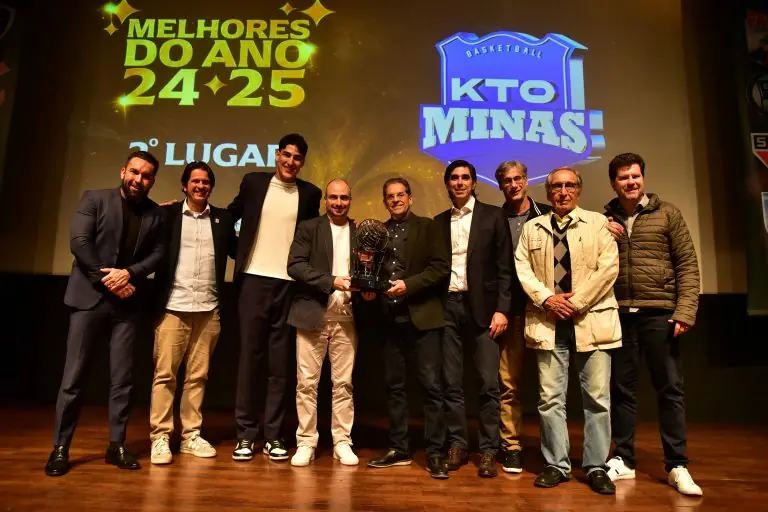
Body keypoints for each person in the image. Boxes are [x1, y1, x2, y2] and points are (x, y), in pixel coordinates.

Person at [45, 151, 167, 476]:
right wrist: (110, 280)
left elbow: (158, 253)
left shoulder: (156, 214)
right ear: (123, 171)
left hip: (126, 307)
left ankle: (117, 445)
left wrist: (130, 273)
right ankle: (60, 447)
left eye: (146, 176)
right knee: (73, 379)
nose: (139, 180)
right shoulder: (94, 199)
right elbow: (79, 242)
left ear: (152, 180)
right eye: (135, 172)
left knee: (122, 380)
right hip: (89, 300)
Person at [515, 166, 620, 495]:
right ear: (548, 193)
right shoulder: (532, 228)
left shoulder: (598, 224)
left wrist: (576, 302)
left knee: (598, 400)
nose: (563, 192)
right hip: (548, 324)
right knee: (549, 400)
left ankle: (596, 466)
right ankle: (556, 465)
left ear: (578, 189)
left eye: (569, 185)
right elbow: (523, 269)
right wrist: (548, 299)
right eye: (557, 187)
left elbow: (608, 268)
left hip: (592, 321)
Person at [603, 152, 703, 496]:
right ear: (613, 183)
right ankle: (623, 458)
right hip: (619, 315)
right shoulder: (604, 219)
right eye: (623, 177)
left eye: (635, 176)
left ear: (643, 178)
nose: (630, 182)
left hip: (661, 314)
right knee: (621, 390)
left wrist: (685, 311)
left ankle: (677, 464)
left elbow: (687, 264)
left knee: (670, 389)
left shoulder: (668, 213)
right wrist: (604, 231)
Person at [227, 133, 322, 462]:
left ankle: (274, 434)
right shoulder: (254, 182)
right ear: (277, 155)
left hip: (289, 285)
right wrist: (237, 253)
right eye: (286, 155)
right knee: (250, 359)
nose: (290, 162)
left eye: (297, 158)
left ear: (302, 162)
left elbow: (313, 236)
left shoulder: (310, 194)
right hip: (253, 281)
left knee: (280, 365)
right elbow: (228, 217)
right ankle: (245, 434)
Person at [149, 161, 236, 465]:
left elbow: (240, 249)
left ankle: (190, 436)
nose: (201, 186)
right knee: (165, 375)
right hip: (173, 307)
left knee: (198, 377)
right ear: (184, 186)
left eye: (206, 182)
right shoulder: (167, 214)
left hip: (208, 309)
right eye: (195, 181)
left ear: (211, 187)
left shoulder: (222, 219)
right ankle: (160, 437)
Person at [366, 177, 451, 479]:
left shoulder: (428, 227)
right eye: (390, 196)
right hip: (390, 320)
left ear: (410, 198)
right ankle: (399, 449)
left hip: (423, 318)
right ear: (385, 201)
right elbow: (370, 270)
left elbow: (440, 268)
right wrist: (369, 288)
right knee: (394, 387)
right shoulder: (377, 232)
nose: (396, 200)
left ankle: (436, 452)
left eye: (401, 195)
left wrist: (409, 285)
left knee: (431, 387)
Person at [434, 160, 512, 478]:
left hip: (484, 309)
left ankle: (489, 449)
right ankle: (457, 444)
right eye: (454, 178)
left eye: (465, 177)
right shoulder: (438, 222)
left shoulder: (493, 216)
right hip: (447, 308)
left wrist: (502, 309)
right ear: (447, 184)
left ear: (474, 182)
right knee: (451, 383)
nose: (460, 182)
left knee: (488, 383)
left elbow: (505, 268)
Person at [286, 178, 361, 467]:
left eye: (344, 198)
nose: (339, 203)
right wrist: (331, 281)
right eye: (334, 197)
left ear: (350, 200)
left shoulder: (359, 231)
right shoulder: (309, 228)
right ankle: (306, 442)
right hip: (312, 315)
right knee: (306, 384)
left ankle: (342, 441)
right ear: (325, 200)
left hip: (347, 318)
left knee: (343, 384)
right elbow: (295, 266)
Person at [494, 160, 551, 473]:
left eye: (518, 179)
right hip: (512, 312)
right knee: (509, 385)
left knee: (550, 386)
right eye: (507, 181)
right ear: (500, 185)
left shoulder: (548, 214)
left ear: (527, 181)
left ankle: (552, 449)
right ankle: (512, 446)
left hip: (546, 311)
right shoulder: (494, 219)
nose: (513, 185)